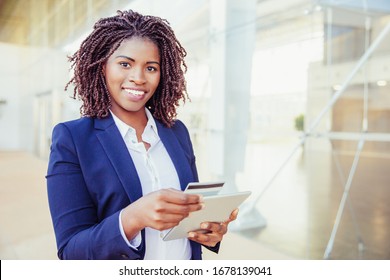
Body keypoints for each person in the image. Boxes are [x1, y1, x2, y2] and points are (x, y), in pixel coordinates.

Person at [46, 9, 238, 260]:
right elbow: (71, 251)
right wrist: (132, 218)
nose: (138, 78)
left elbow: (190, 214)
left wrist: (209, 231)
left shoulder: (176, 132)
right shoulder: (72, 139)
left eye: (151, 67)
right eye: (125, 64)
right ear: (103, 67)